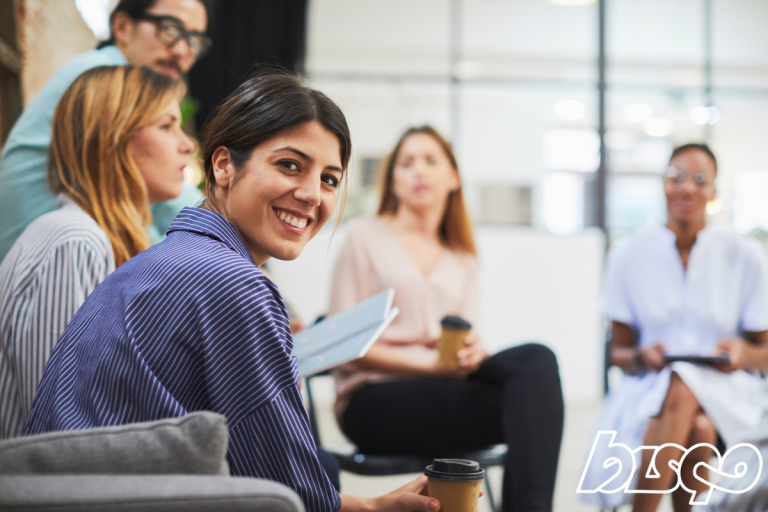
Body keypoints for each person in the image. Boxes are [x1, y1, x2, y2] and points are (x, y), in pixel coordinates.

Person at [25, 73, 451, 512]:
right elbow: (289, 486)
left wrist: (371, 506)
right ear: (224, 165)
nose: (312, 194)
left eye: (329, 179)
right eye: (290, 165)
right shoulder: (234, 281)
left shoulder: (160, 260)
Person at [327, 126, 565, 512]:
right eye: (407, 163)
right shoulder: (363, 237)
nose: (418, 171)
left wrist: (472, 353)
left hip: (445, 391)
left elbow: (463, 338)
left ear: (453, 178)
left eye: (430, 161)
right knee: (525, 410)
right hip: (375, 399)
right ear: (393, 180)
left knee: (536, 361)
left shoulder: (462, 256)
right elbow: (342, 346)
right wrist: (429, 366)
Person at [0, 65, 194, 439]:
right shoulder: (74, 240)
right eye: (166, 126)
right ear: (113, 137)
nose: (187, 144)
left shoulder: (99, 241)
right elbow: (62, 430)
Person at [579, 144, 768, 512]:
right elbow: (618, 353)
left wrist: (743, 353)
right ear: (663, 184)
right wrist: (640, 355)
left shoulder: (745, 254)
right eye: (677, 178)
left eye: (700, 180)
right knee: (697, 425)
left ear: (714, 190)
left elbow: (765, 352)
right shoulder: (628, 254)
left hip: (730, 389)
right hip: (650, 384)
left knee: (682, 383)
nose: (687, 188)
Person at [0, 0, 211, 261]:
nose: (181, 50)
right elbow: (180, 210)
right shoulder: (103, 81)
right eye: (170, 29)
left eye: (194, 41)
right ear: (122, 27)